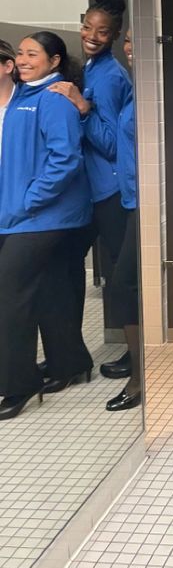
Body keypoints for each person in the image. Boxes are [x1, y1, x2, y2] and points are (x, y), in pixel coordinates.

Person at [0, 32, 93, 420]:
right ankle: (69, 363)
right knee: (52, 289)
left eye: (31, 53)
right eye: (19, 52)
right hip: (21, 216)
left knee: (10, 294)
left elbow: (65, 158)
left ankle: (18, 384)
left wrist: (29, 199)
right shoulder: (20, 97)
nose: (23, 58)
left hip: (43, 216)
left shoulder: (54, 98)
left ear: (54, 61)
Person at [49, 0, 133, 381]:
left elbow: (116, 144)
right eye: (87, 27)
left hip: (111, 191)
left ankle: (137, 358)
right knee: (71, 270)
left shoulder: (112, 76)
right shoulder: (90, 69)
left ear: (114, 35)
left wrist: (82, 109)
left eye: (102, 31)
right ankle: (70, 358)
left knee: (122, 280)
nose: (92, 35)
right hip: (91, 191)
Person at [105, 30, 142, 412]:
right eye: (127, 40)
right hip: (129, 198)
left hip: (151, 203)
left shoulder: (156, 89)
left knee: (123, 283)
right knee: (126, 284)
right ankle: (140, 366)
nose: (130, 47)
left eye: (138, 38)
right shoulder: (132, 89)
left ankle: (139, 376)